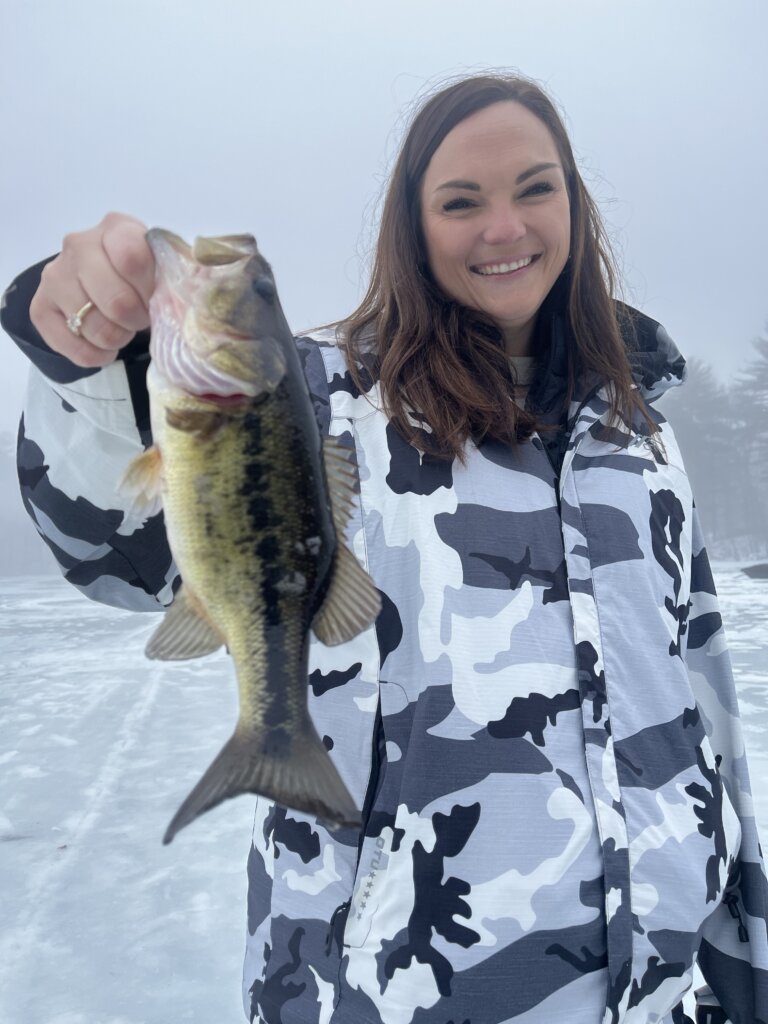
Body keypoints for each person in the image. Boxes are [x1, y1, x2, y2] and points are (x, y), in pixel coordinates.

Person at [2, 73, 766, 1024]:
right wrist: (88, 362)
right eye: (460, 201)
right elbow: (117, 553)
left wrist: (743, 958)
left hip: (657, 1000)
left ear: (575, 201)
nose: (504, 227)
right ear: (412, 226)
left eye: (535, 187)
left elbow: (705, 701)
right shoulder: (322, 395)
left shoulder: (641, 431)